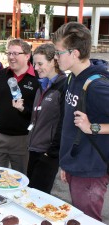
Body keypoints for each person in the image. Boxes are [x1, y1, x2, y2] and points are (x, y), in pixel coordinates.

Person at [52, 22, 109, 221]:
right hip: (76, 165)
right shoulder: (73, 78)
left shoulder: (96, 86)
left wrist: (93, 127)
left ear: (74, 53)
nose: (55, 57)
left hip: (90, 172)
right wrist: (66, 163)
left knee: (88, 221)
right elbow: (69, 125)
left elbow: (86, 126)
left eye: (58, 52)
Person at [0, 38, 39, 174]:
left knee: (23, 182)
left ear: (27, 56)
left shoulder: (38, 78)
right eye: (9, 53)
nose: (11, 57)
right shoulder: (1, 74)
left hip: (24, 141)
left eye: (15, 54)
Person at [23, 43, 66, 194]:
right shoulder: (42, 84)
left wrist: (51, 152)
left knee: (38, 197)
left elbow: (64, 123)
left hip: (47, 154)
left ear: (53, 61)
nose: (36, 68)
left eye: (40, 63)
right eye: (35, 64)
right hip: (34, 149)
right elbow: (40, 116)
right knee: (29, 193)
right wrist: (23, 109)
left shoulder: (63, 86)